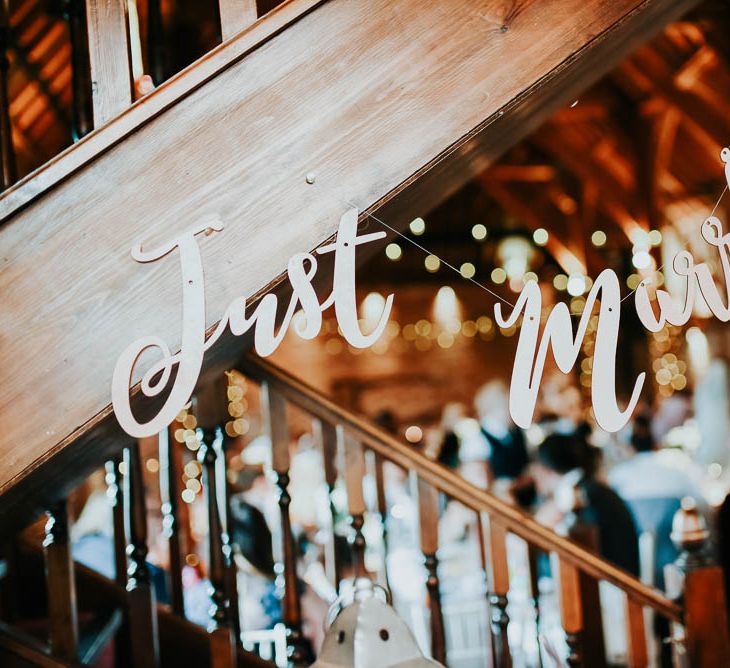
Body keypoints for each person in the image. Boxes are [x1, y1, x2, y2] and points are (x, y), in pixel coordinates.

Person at [534, 433, 640, 576]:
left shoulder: (575, 494)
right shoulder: (588, 486)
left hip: (609, 582)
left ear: (543, 469)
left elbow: (538, 529)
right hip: (622, 576)